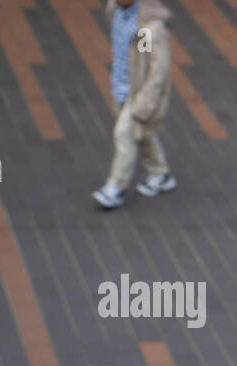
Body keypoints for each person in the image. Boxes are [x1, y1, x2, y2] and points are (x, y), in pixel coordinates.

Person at [93, 0, 176, 210]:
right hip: (120, 87)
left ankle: (115, 187)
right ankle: (161, 173)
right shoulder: (116, 10)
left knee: (123, 134)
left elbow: (157, 70)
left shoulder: (148, 28)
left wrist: (144, 104)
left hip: (137, 94)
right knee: (141, 132)